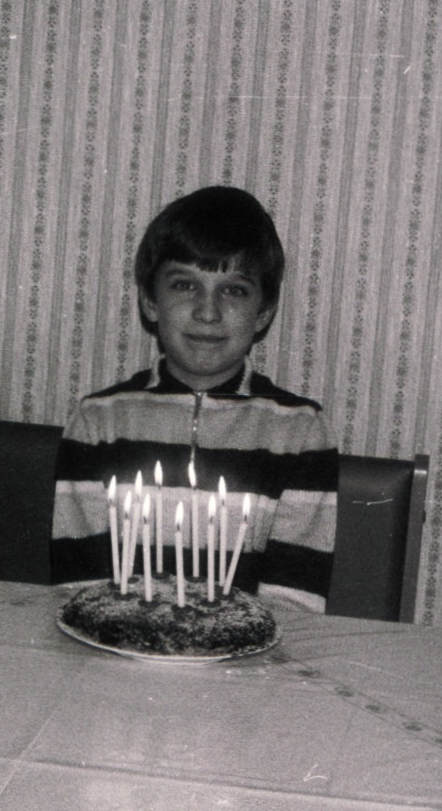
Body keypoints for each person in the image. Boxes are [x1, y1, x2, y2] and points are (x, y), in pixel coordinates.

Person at [50, 185, 338, 610]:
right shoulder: (98, 422)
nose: (208, 311)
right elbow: (79, 589)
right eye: (185, 285)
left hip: (245, 666)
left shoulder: (299, 431)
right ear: (150, 301)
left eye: (234, 290)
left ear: (263, 312)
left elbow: (293, 604)